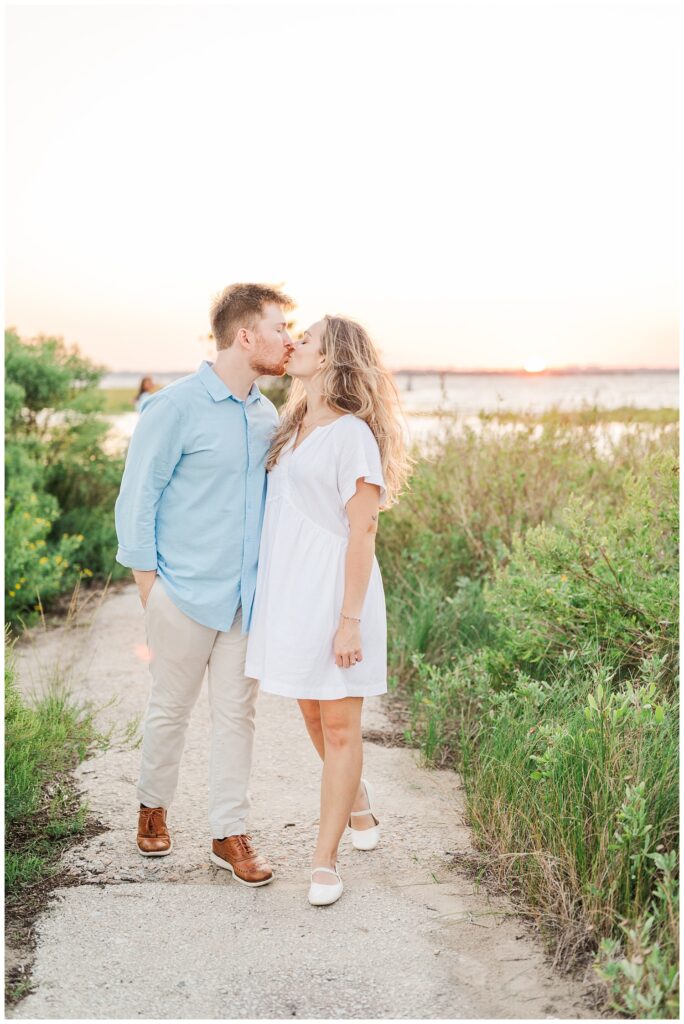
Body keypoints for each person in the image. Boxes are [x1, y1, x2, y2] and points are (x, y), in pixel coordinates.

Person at [114, 283, 295, 885]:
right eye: (279, 328)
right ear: (246, 336)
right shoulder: (173, 407)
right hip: (181, 594)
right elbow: (136, 499)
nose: (288, 340)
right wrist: (151, 588)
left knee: (237, 717)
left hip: (243, 599)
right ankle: (152, 807)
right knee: (170, 709)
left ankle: (228, 833)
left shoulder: (266, 414)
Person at [245, 315, 411, 905]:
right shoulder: (290, 426)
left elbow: (362, 532)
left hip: (339, 596)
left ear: (332, 356)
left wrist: (349, 620)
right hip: (291, 594)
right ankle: (358, 801)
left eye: (306, 338)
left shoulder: (352, 436)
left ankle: (324, 861)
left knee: (340, 728)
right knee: (313, 719)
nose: (293, 343)